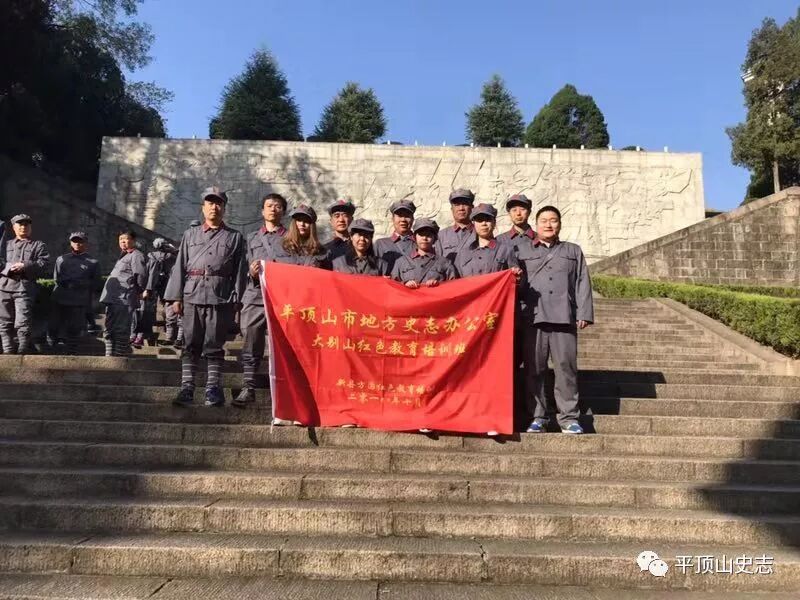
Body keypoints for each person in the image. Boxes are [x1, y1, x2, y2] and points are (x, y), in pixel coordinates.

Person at [165, 186, 246, 407]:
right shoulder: (190, 234)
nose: (214, 207)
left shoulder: (235, 237)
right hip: (192, 294)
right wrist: (176, 297)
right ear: (203, 208)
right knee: (190, 343)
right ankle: (187, 388)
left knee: (214, 344)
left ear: (224, 208)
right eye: (210, 203)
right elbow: (180, 265)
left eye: (218, 203)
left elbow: (240, 270)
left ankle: (213, 388)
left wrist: (237, 300)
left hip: (220, 296)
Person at [518, 206, 594, 435]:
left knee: (566, 368)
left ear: (559, 224)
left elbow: (582, 281)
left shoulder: (573, 251)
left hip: (564, 318)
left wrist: (584, 313)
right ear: (536, 224)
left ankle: (569, 417)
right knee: (534, 369)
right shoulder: (521, 250)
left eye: (553, 220)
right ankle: (537, 417)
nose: (548, 225)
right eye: (544, 220)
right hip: (533, 318)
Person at [234, 192, 288, 408]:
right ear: (262, 211)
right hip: (256, 294)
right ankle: (249, 386)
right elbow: (243, 267)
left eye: (277, 206)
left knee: (284, 344)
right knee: (251, 338)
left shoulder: (291, 237)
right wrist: (252, 272)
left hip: (282, 297)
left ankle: (284, 391)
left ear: (283, 211)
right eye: (269, 206)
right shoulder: (252, 238)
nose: (273, 209)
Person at [0, 214, 50, 354]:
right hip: (4, 286)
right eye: (20, 224)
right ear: (14, 227)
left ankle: (22, 350)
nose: (23, 227)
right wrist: (9, 267)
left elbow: (44, 264)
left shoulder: (38, 245)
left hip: (24, 287)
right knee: (3, 321)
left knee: (23, 321)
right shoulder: (5, 244)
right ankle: (8, 350)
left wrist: (25, 265)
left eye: (26, 224)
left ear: (30, 227)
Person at [49, 232, 101, 355]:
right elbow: (56, 277)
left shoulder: (93, 262)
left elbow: (96, 283)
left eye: (80, 241)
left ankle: (72, 353)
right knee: (54, 327)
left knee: (75, 328)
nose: (77, 243)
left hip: (79, 300)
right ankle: (54, 351)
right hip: (61, 298)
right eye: (74, 241)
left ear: (86, 243)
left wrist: (80, 284)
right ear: (71, 243)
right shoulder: (61, 259)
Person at [99, 231, 147, 357]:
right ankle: (109, 357)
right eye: (120, 239)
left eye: (126, 239)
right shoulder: (123, 256)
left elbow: (140, 275)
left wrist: (139, 291)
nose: (123, 242)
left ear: (133, 241)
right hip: (113, 298)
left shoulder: (136, 255)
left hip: (124, 297)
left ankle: (118, 358)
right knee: (109, 329)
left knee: (121, 329)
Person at [454, 204, 523, 279]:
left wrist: (517, 277)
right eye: (479, 220)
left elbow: (514, 281)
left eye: (488, 219)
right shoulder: (462, 254)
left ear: (494, 223)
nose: (484, 223)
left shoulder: (506, 251)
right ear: (474, 224)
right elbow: (455, 283)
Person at [391, 218, 456, 287]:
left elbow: (453, 287)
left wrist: (439, 285)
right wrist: (404, 284)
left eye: (428, 235)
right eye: (421, 234)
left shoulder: (445, 263)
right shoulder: (401, 262)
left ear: (435, 238)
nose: (424, 238)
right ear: (414, 237)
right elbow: (392, 286)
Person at [144, 238, 179, 345]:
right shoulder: (171, 257)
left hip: (151, 285)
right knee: (169, 308)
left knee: (150, 309)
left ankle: (148, 333)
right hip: (168, 284)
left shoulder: (150, 256)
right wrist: (172, 249)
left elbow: (147, 271)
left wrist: (147, 287)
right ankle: (170, 335)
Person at [374, 199, 416, 273]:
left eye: (407, 216)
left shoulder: (421, 244)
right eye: (399, 215)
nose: (403, 219)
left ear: (412, 219)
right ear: (393, 219)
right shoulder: (381, 244)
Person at [436, 188, 475, 263]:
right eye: (457, 205)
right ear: (452, 209)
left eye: (465, 204)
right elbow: (438, 264)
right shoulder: (441, 236)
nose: (461, 208)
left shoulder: (480, 234)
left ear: (472, 208)